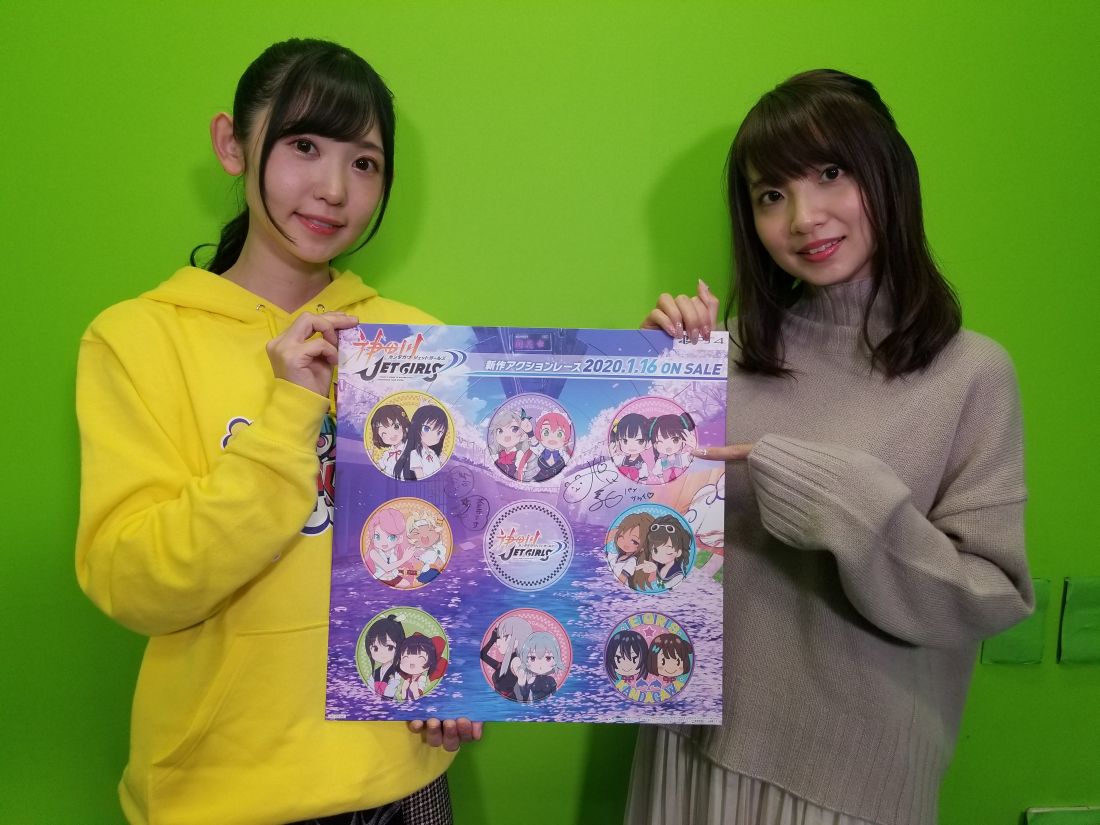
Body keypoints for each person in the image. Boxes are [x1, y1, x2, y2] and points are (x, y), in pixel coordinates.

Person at [75, 38, 479, 825]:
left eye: (365, 162)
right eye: (304, 146)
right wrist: (291, 409)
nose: (334, 188)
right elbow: (134, 582)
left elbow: (459, 554)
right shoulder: (137, 339)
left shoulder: (415, 343)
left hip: (401, 777)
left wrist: (456, 673)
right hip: (224, 794)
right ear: (233, 144)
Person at [630, 69, 1032, 825]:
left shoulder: (972, 373)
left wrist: (855, 506)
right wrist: (648, 391)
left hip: (848, 774)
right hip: (686, 738)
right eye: (770, 194)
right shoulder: (721, 356)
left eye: (829, 173)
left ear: (888, 174)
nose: (803, 217)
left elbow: (991, 595)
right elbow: (639, 548)